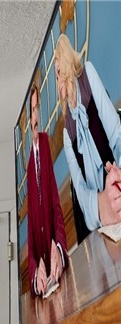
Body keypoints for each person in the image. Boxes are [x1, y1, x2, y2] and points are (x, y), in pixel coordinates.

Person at [53, 34, 121, 239]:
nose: (58, 82)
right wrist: (103, 205)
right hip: (105, 224)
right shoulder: (66, 133)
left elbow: (117, 135)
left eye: (58, 73)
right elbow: (82, 194)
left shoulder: (88, 75)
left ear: (65, 62)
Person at [25, 82, 68, 297]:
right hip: (42, 282)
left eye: (37, 109)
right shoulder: (26, 163)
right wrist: (34, 273)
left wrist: (59, 248)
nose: (35, 116)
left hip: (56, 269)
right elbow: (30, 231)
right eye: (32, 111)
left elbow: (56, 207)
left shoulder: (44, 142)